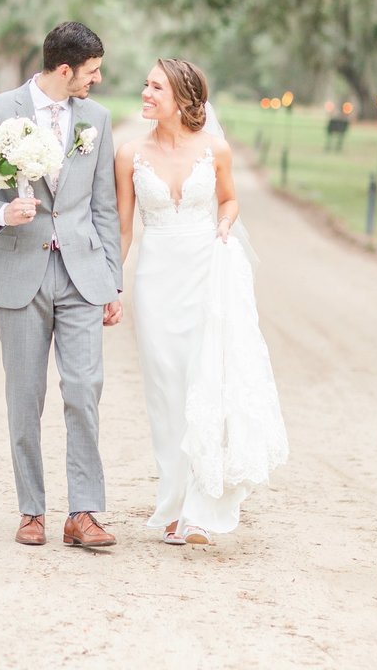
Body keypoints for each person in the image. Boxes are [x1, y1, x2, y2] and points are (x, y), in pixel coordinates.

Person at [0, 21, 123, 549]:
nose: (97, 80)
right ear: (66, 69)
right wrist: (3, 211)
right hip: (18, 273)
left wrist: (112, 282)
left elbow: (104, 207)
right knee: (24, 396)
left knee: (83, 390)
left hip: (81, 274)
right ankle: (32, 510)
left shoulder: (96, 119)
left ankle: (84, 512)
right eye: (92, 71)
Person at [115, 58, 288, 545]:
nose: (145, 93)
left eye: (155, 87)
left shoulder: (216, 150)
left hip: (203, 272)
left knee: (202, 382)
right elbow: (125, 229)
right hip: (156, 277)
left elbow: (230, 200)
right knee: (164, 390)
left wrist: (225, 222)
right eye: (146, 85)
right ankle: (172, 502)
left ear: (183, 99)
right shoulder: (129, 153)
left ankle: (198, 507)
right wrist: (114, 285)